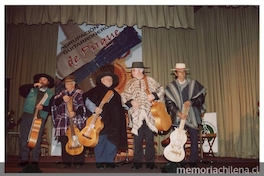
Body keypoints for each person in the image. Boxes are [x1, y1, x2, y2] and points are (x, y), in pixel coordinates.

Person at [121, 62, 165, 170]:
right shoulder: (130, 83)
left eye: (133, 70)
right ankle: (137, 163)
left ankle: (150, 163)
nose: (132, 72)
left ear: (140, 70)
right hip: (137, 116)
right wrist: (131, 102)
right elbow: (124, 95)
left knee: (150, 140)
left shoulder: (151, 81)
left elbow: (161, 90)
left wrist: (153, 95)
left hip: (150, 115)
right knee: (137, 140)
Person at [83, 71, 128, 170]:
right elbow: (87, 100)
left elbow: (120, 108)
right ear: (101, 80)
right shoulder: (94, 91)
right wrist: (94, 108)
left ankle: (110, 162)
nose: (109, 80)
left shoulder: (116, 95)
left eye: (110, 79)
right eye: (107, 78)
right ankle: (100, 162)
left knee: (112, 142)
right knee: (100, 141)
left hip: (114, 123)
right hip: (100, 122)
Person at [164, 63, 206, 167]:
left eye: (183, 71)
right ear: (175, 73)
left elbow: (201, 98)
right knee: (178, 139)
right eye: (179, 71)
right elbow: (169, 103)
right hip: (178, 117)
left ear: (185, 72)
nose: (182, 73)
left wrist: (191, 102)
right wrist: (178, 113)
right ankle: (180, 160)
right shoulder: (171, 87)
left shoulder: (194, 84)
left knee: (194, 139)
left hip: (192, 116)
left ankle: (193, 161)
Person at [18, 73, 54, 167]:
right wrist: (33, 85)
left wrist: (43, 107)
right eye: (41, 79)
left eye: (44, 80)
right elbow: (21, 90)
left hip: (40, 118)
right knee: (24, 138)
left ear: (48, 82)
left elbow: (52, 109)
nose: (42, 81)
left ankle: (34, 161)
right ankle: (24, 159)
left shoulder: (50, 94)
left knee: (36, 140)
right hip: (27, 115)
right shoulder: (31, 89)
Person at [51, 75, 87, 169]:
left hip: (76, 120)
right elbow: (55, 103)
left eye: (68, 83)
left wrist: (74, 113)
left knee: (78, 140)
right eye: (66, 84)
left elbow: (82, 106)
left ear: (73, 84)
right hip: (63, 120)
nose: (66, 85)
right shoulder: (62, 93)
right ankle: (66, 162)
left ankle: (78, 161)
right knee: (64, 141)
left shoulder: (79, 93)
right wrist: (62, 99)